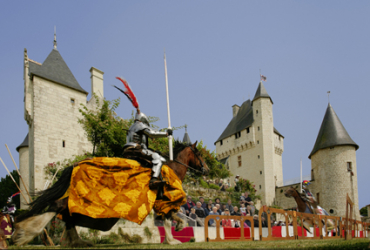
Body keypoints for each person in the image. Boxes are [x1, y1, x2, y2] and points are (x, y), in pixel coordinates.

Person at [116, 77, 172, 189]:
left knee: (158, 156)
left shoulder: (132, 126)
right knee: (158, 158)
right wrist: (166, 134)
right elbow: (152, 134)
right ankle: (154, 180)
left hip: (128, 149)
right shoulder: (140, 125)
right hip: (136, 149)